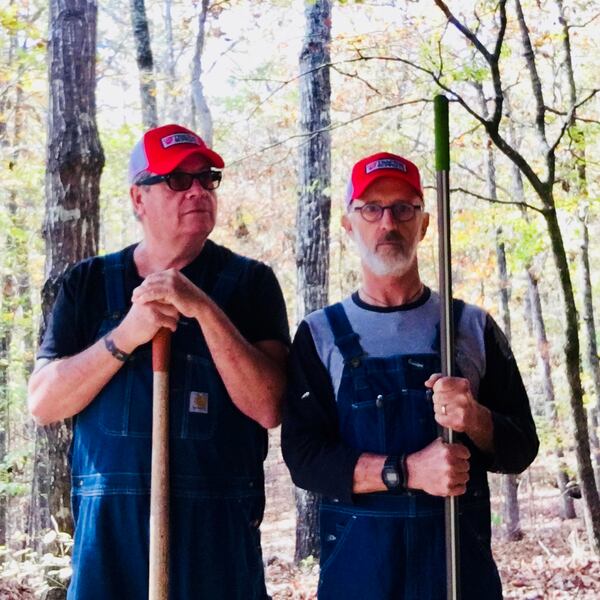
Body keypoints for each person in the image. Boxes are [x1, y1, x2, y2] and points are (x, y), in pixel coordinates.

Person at [28, 124, 290, 600]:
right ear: (138, 198)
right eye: (176, 180)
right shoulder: (87, 284)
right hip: (109, 543)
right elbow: (44, 403)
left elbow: (269, 406)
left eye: (206, 178)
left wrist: (203, 309)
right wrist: (127, 334)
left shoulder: (250, 284)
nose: (197, 190)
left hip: (218, 540)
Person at [281, 152, 539, 599]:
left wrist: (474, 417)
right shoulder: (319, 334)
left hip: (458, 572)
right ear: (348, 225)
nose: (388, 223)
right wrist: (406, 472)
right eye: (371, 209)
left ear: (423, 224)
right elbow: (304, 459)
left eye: (404, 208)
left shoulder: (472, 328)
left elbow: (521, 449)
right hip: (359, 576)